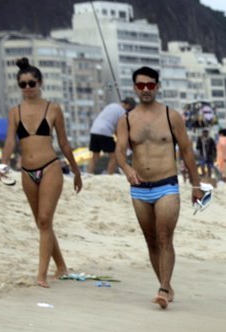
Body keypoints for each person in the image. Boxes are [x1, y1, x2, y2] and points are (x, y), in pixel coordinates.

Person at [114, 66, 203, 309]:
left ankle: (163, 288)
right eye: (140, 85)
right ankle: (165, 284)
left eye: (150, 85)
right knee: (151, 239)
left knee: (165, 237)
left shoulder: (170, 116)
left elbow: (186, 151)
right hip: (139, 188)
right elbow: (120, 151)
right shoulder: (126, 120)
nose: (145, 89)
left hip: (167, 185)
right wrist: (128, 170)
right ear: (134, 87)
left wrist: (196, 184)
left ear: (157, 86)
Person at [0, 57, 82, 288]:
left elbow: (64, 143)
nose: (27, 88)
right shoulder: (15, 111)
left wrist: (76, 171)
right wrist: (3, 164)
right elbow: (9, 142)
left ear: (40, 82)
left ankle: (42, 275)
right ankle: (61, 266)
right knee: (41, 223)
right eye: (22, 84)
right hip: (27, 171)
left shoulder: (53, 108)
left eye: (31, 83)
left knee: (45, 220)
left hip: (50, 167)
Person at [87, 97, 135, 175]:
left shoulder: (112, 105)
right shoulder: (122, 112)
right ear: (128, 105)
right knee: (115, 156)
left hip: (94, 130)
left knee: (95, 155)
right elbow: (119, 131)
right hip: (105, 131)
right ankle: (109, 175)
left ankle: (89, 173)